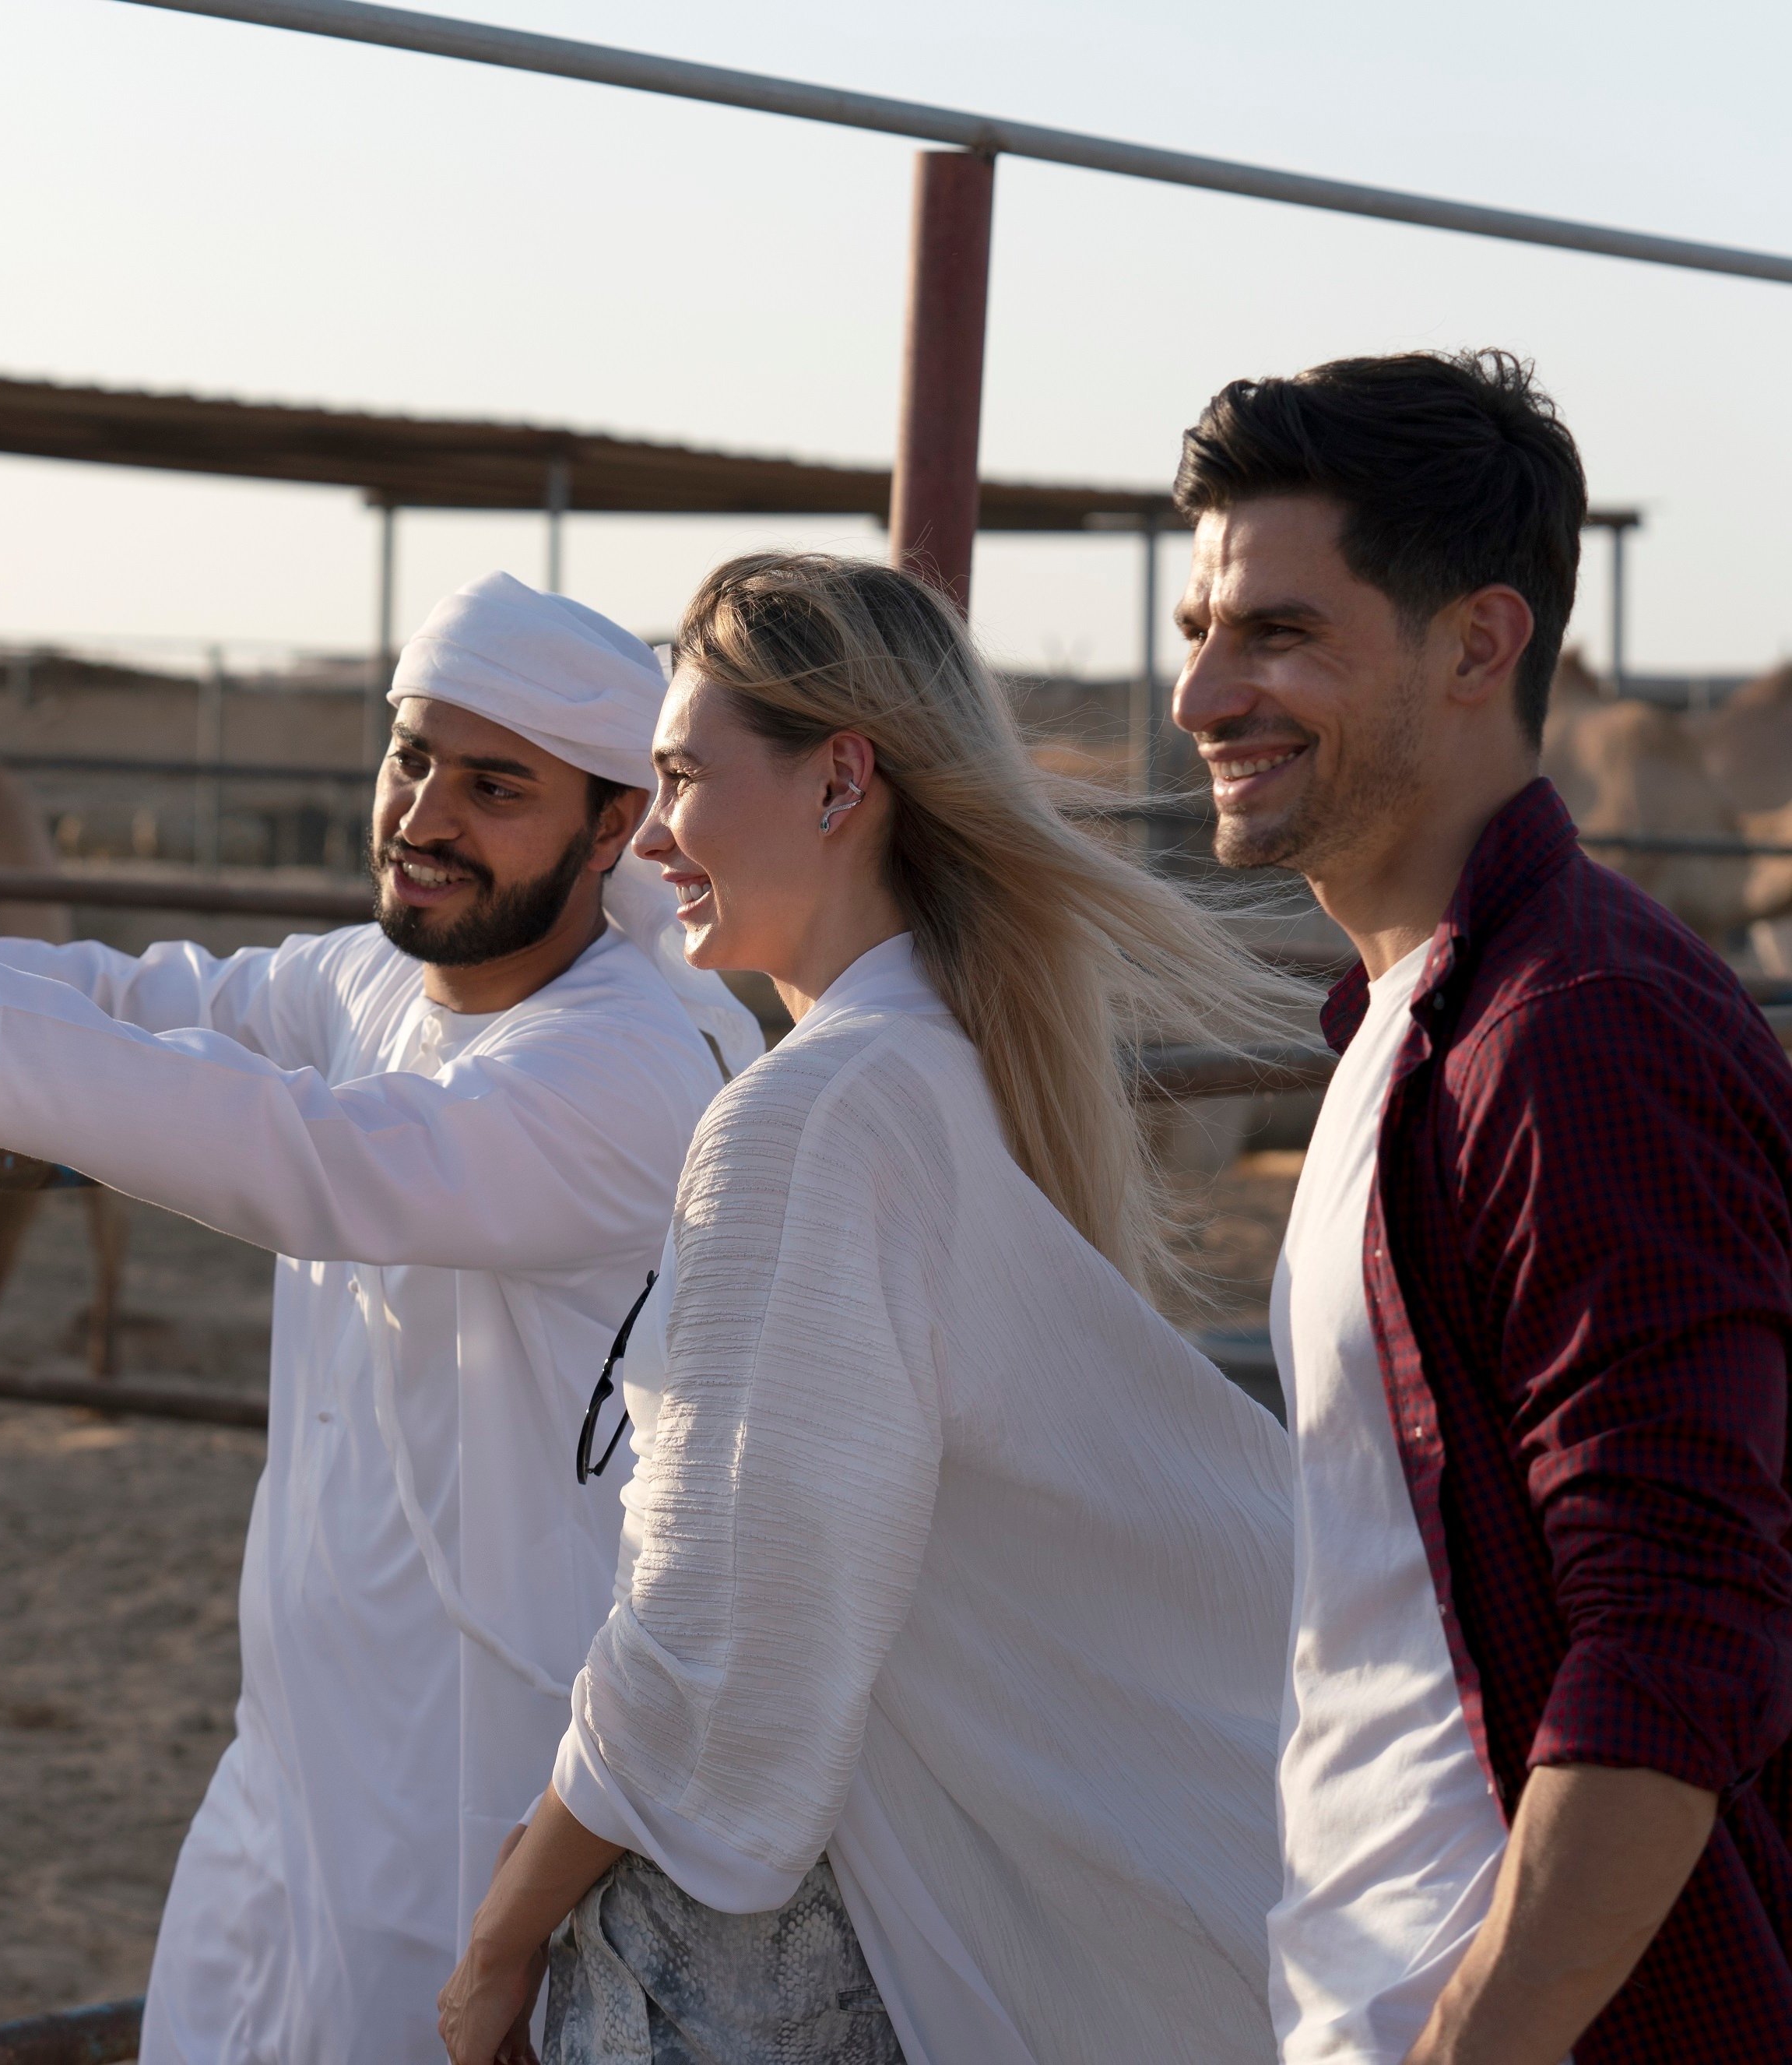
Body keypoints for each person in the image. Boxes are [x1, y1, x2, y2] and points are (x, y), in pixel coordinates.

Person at [0, 572, 763, 2063]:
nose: (426, 814)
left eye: (495, 785)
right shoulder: (378, 981)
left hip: (483, 1771)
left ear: (609, 831)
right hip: (296, 1749)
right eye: (410, 759)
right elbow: (147, 1010)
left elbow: (320, 1160)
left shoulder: (630, 1064)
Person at [438, 551, 1305, 2064]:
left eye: (681, 781)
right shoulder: (944, 1068)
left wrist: (502, 1935)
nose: (647, 842)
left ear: (839, 781)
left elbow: (723, 1641)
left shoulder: (819, 1112)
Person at [1172, 352, 1792, 2065]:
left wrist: (1470, 2042)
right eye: (1195, 632)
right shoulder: (1415, 1029)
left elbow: (1673, 1633)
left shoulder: (1575, 1039)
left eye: (1276, 634)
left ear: (1475, 644)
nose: (1202, 694)